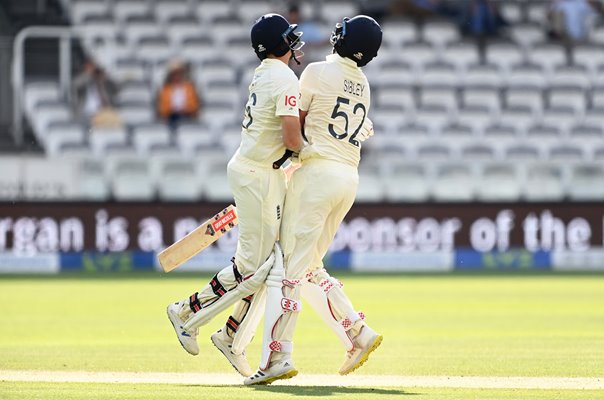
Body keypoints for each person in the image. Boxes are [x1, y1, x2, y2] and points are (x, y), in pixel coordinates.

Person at [244, 15, 384, 385]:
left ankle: (277, 357)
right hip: (348, 180)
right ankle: (357, 332)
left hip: (317, 175)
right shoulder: (364, 84)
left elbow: (297, 125)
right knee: (309, 266)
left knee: (288, 272)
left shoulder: (317, 72)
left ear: (342, 38)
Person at [166, 13, 305, 377]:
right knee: (253, 268)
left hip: (261, 171)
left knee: (270, 265)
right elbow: (292, 139)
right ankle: (186, 312)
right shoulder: (285, 77)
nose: (295, 42)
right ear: (281, 44)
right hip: (258, 175)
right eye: (290, 37)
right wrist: (319, 153)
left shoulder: (264, 72)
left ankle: (231, 335)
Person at [72, 59, 118, 126]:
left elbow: (116, 88)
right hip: (85, 114)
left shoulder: (105, 84)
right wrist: (89, 74)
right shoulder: (83, 80)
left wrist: (102, 79)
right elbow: (75, 85)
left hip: (102, 115)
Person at [157, 60, 201, 129]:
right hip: (171, 118)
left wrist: (185, 109)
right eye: (175, 74)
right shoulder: (166, 89)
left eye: (179, 73)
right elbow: (163, 109)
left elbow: (194, 106)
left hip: (187, 116)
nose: (177, 76)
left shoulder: (190, 88)